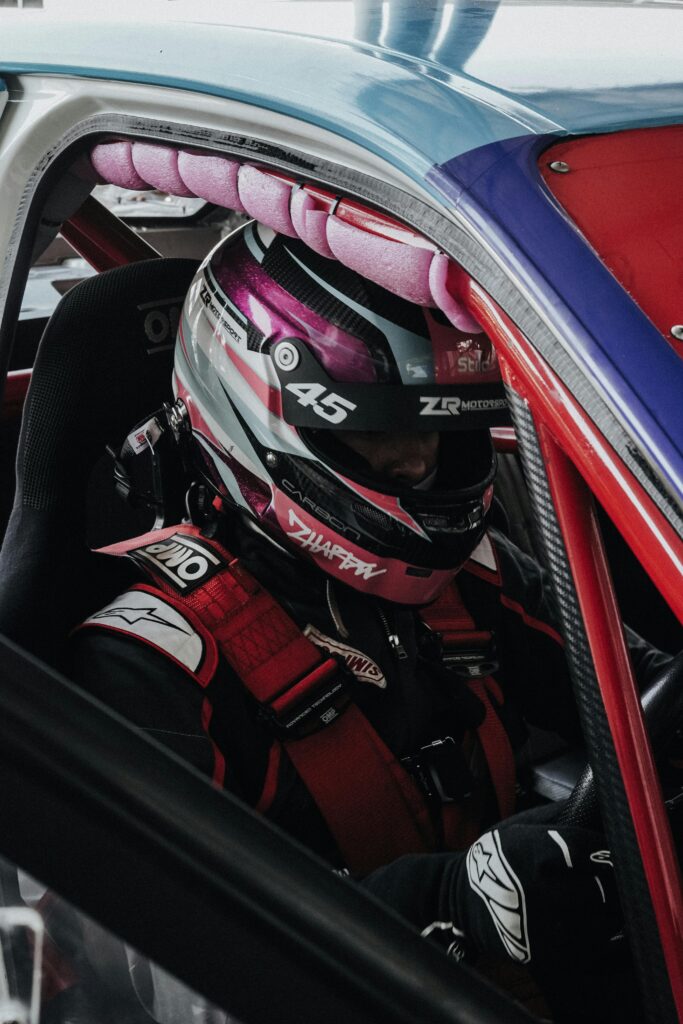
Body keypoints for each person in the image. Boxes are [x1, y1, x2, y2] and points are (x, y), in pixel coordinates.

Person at [67, 222, 667, 1021]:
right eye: (379, 429)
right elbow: (144, 980)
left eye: (438, 423)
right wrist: (451, 899)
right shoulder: (148, 662)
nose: (418, 462)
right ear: (263, 413)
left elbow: (641, 695)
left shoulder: (472, 577)